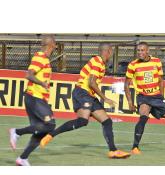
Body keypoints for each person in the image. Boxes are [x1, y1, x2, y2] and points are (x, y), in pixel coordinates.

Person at [40, 43, 130, 159]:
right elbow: (91, 83)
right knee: (82, 120)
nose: (111, 54)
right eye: (111, 52)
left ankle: (113, 151)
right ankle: (51, 135)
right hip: (82, 92)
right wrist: (105, 98)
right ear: (108, 51)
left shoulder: (100, 64)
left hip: (89, 95)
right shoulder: (97, 61)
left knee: (106, 122)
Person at [9, 35, 57, 166]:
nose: (56, 46)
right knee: (50, 125)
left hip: (38, 99)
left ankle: (23, 158)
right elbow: (28, 75)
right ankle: (16, 132)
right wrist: (42, 83)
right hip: (35, 98)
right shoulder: (40, 57)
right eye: (55, 43)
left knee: (41, 131)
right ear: (51, 44)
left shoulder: (45, 59)